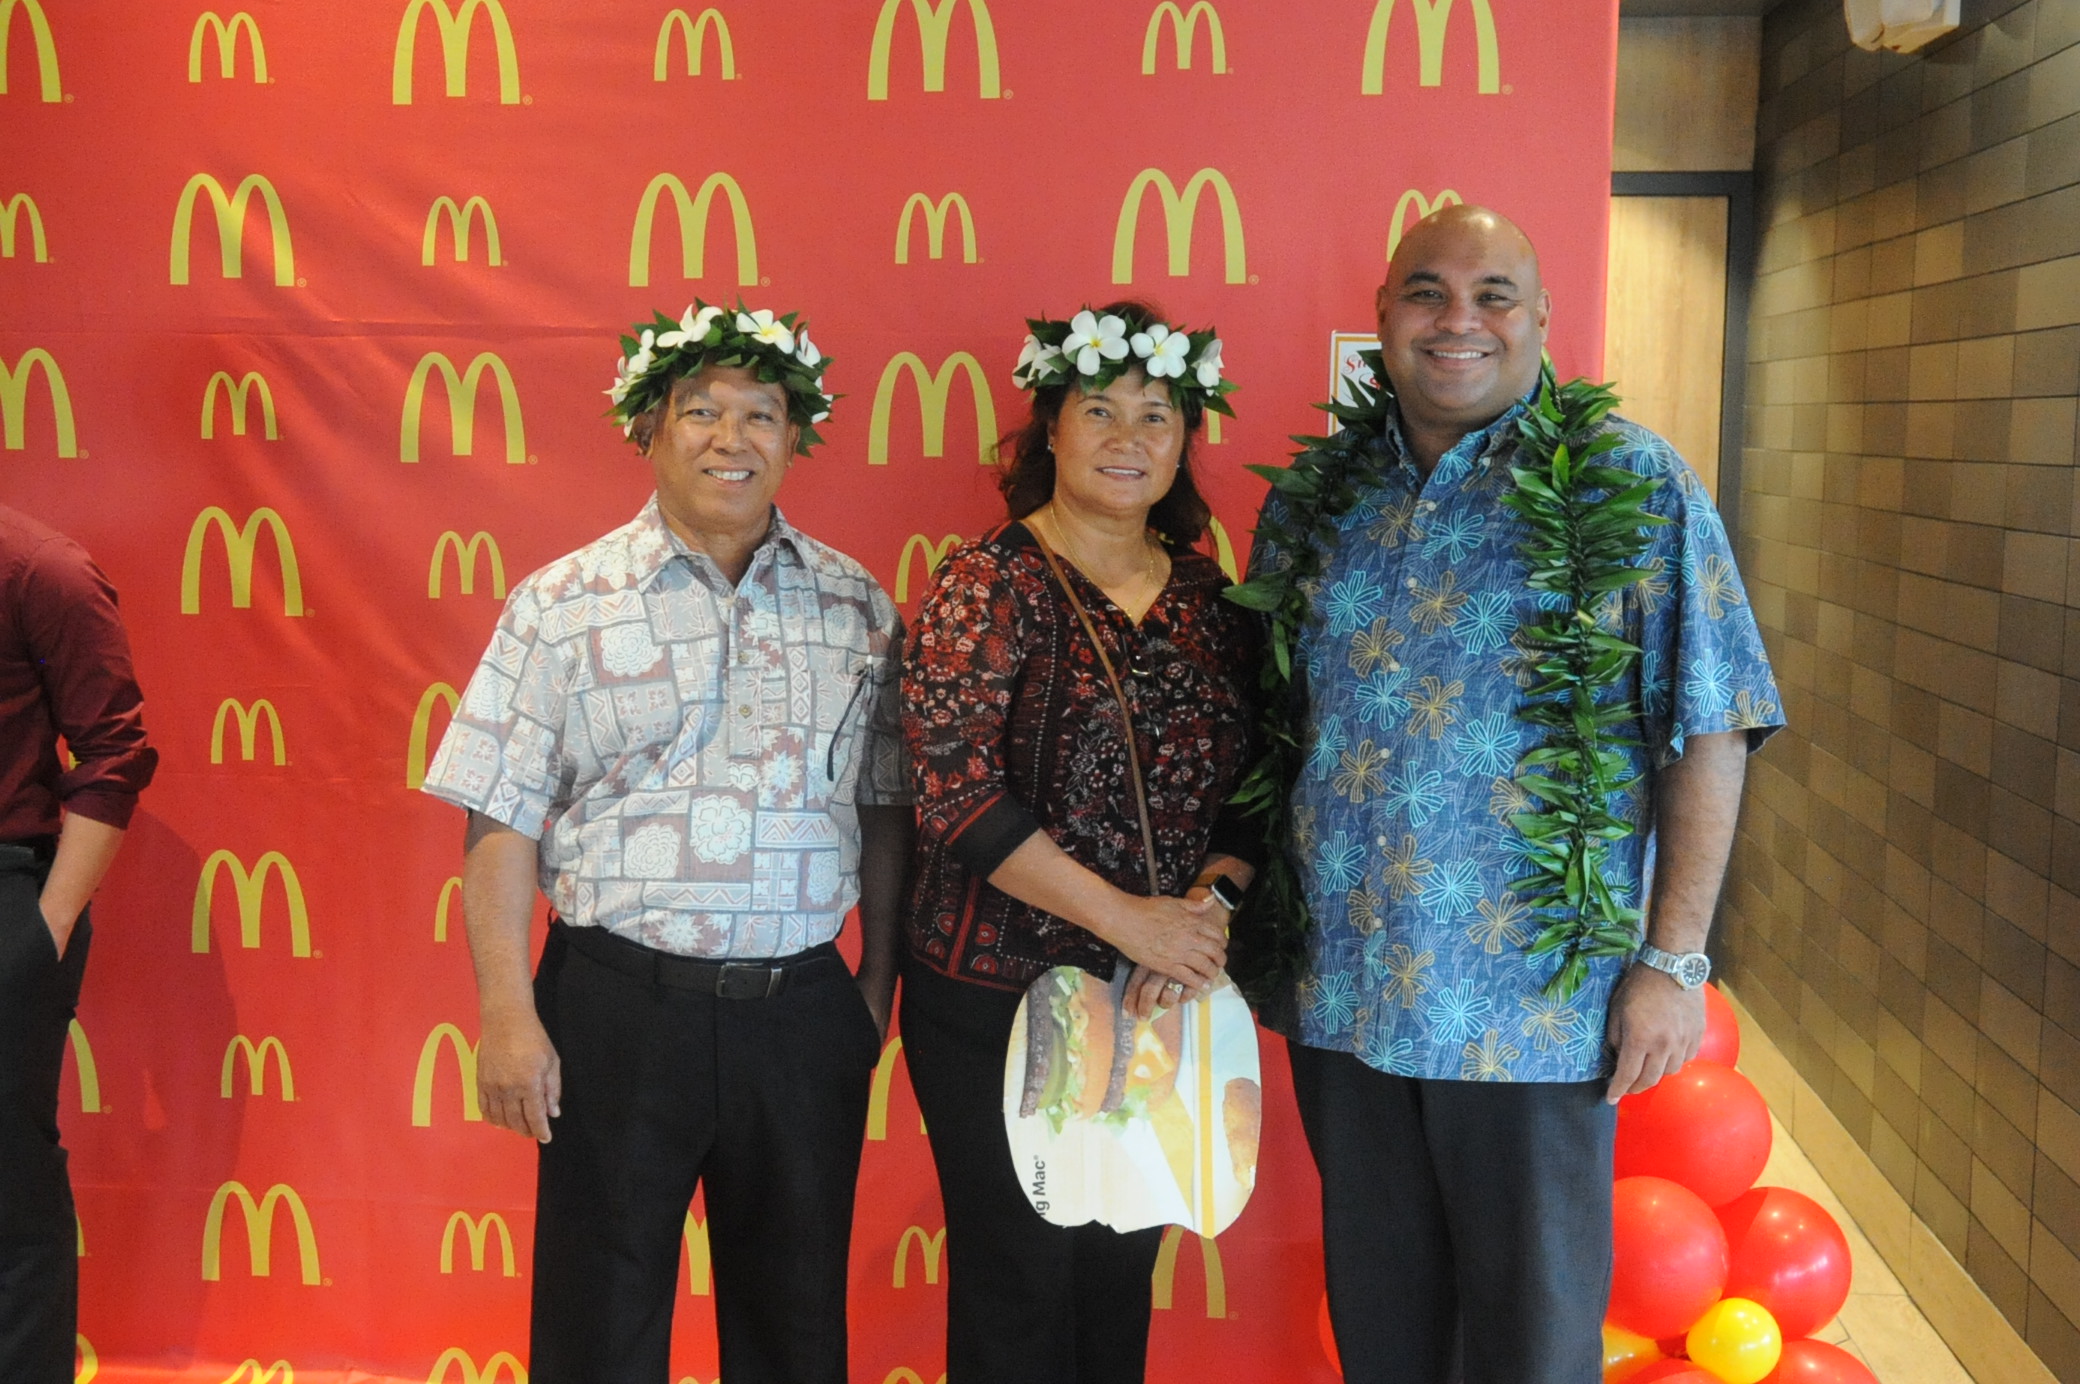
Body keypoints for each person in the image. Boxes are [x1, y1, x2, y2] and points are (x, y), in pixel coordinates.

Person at [1244, 206, 1784, 1384]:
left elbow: (1715, 722)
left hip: (1535, 1014)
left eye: (1494, 294)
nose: (1459, 320)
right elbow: (1272, 729)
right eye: (1427, 291)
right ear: (1383, 315)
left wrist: (1674, 958)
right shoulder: (1316, 503)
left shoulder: (1632, 485)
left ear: (1542, 318)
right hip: (1348, 997)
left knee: (1528, 1344)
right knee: (1382, 1329)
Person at [421, 302, 913, 1384]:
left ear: (795, 439)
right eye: (701, 411)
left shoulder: (857, 606)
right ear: (650, 429)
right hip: (615, 1010)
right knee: (599, 1326)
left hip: (800, 1013)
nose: (729, 439)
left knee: (793, 1328)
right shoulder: (561, 603)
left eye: (760, 415)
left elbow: (886, 810)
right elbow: (498, 816)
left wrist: (872, 985)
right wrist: (507, 1014)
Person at [899, 301, 1258, 1384]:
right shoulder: (988, 583)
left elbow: (1257, 789)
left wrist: (1207, 913)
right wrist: (1128, 921)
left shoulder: (1212, 597)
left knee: (1117, 1275)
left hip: (1154, 995)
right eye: (1097, 408)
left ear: (1185, 440)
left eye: (1156, 414)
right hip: (994, 998)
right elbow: (952, 791)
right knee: (1019, 1283)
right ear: (1046, 430)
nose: (1127, 436)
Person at [0, 505, 157, 1384]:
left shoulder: (40, 570)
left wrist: (43, 930)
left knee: (6, 1187)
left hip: (8, 890)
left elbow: (112, 753)